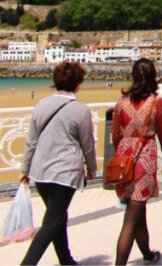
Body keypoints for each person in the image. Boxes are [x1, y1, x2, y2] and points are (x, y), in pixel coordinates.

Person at [20, 61, 97, 266]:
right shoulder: (80, 111)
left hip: (41, 171)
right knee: (53, 221)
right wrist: (92, 168)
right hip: (65, 173)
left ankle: (66, 259)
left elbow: (31, 141)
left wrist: (25, 169)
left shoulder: (41, 105)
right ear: (78, 83)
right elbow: (87, 144)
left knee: (57, 217)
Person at [113, 58, 162, 265]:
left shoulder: (121, 104)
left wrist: (122, 154)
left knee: (137, 209)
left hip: (124, 157)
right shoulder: (156, 103)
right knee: (133, 214)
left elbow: (115, 136)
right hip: (144, 156)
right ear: (153, 77)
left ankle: (148, 254)